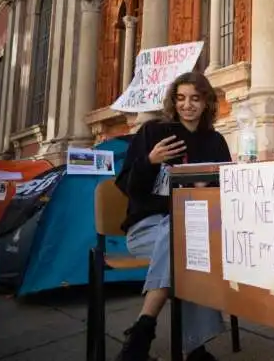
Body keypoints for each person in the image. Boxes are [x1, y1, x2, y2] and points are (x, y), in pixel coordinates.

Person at [115, 72, 232, 361]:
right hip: (147, 228)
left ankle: (143, 329)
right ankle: (195, 349)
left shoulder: (215, 141)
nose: (187, 105)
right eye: (180, 98)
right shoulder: (153, 132)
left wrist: (208, 187)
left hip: (193, 229)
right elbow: (128, 187)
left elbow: (228, 190)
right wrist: (150, 162)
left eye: (195, 98)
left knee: (189, 240)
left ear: (206, 102)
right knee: (187, 239)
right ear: (173, 101)